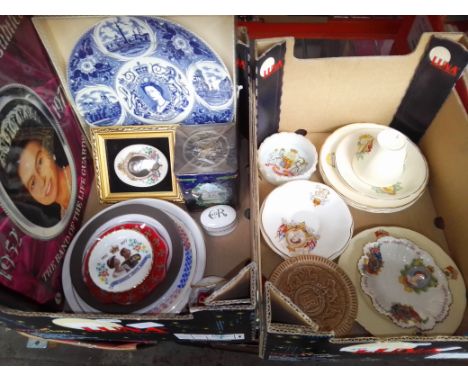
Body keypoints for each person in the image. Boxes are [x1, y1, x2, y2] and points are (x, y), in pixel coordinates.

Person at [1, 126, 71, 226]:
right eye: (32, 183)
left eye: (40, 162)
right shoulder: (63, 214)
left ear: (49, 151)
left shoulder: (80, 177)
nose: (41, 181)